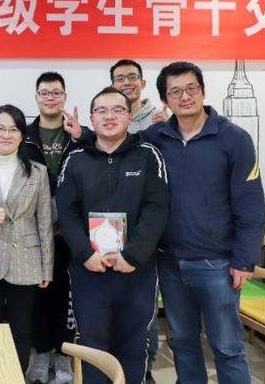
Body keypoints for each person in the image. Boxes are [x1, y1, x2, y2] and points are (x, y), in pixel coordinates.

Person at [142, 61, 265, 383]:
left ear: (203, 91)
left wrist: (244, 259)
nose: (185, 97)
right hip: (170, 262)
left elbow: (252, 206)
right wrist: (83, 135)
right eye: (175, 92)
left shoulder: (234, 139)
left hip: (218, 263)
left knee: (227, 346)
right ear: (165, 100)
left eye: (191, 88)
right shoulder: (155, 138)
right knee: (183, 343)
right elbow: (116, 144)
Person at [56, 87, 169, 384]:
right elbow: (66, 213)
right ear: (92, 118)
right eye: (101, 111)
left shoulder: (148, 156)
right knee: (91, 344)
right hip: (88, 269)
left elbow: (156, 210)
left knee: (133, 344)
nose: (109, 116)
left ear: (129, 117)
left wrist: (132, 255)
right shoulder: (75, 159)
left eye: (117, 110)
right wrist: (85, 254)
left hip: (135, 270)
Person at [0, 104, 53, 372]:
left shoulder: (38, 172)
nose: (6, 135)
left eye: (13, 129)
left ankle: (16, 377)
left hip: (26, 258)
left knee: (21, 329)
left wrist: (46, 267)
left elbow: (44, 223)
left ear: (21, 135)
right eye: (1, 129)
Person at [22, 71, 84, 384]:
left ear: (64, 97)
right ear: (36, 98)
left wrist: (82, 138)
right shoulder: (24, 135)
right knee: (37, 293)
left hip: (71, 230)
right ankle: (42, 351)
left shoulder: (78, 134)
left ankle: (62, 353)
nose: (50, 98)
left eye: (56, 92)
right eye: (44, 93)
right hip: (33, 230)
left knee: (65, 293)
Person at [109, 58, 168, 383]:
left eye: (132, 77)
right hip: (109, 230)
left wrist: (168, 127)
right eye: (120, 78)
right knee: (114, 307)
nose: (126, 82)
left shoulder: (160, 119)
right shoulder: (109, 116)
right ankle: (115, 365)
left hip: (145, 229)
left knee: (144, 307)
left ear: (143, 83)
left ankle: (145, 368)